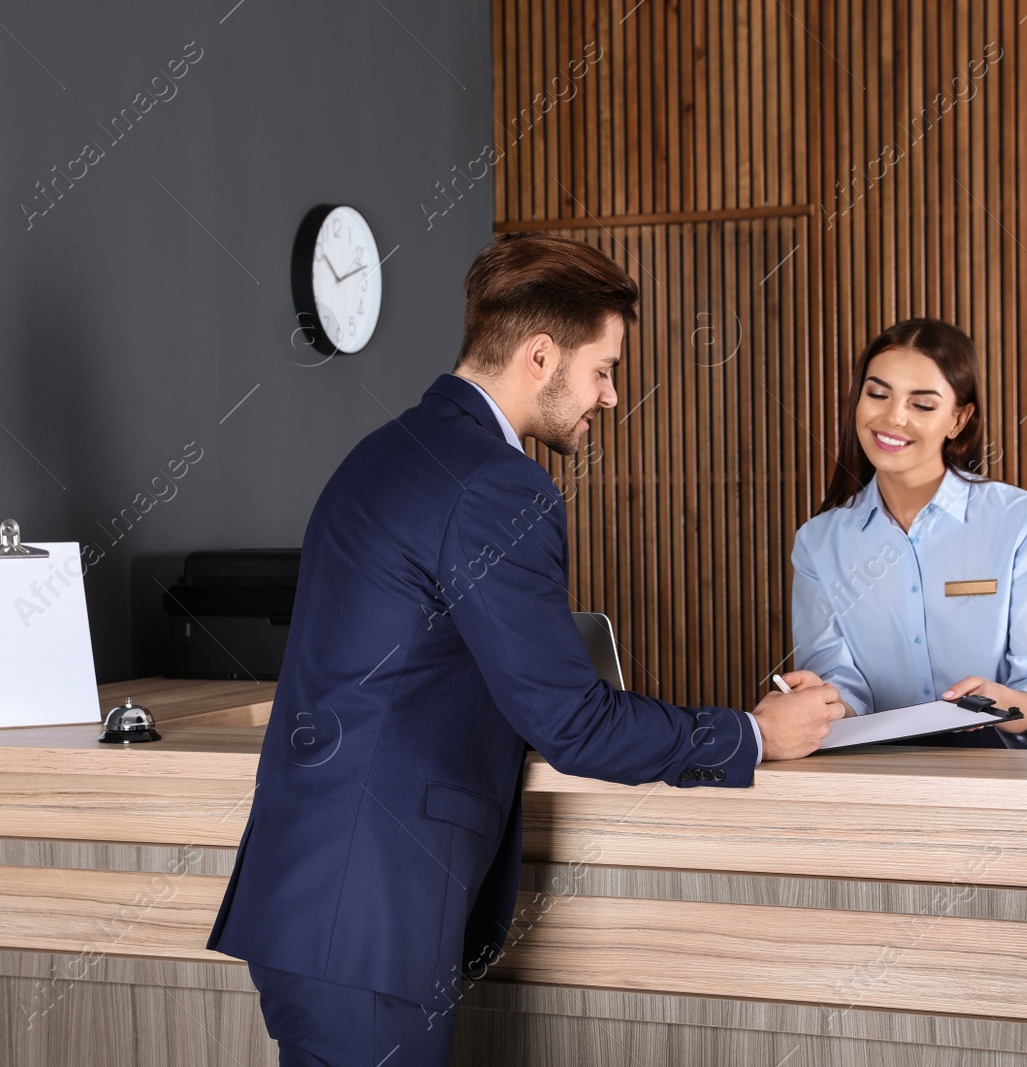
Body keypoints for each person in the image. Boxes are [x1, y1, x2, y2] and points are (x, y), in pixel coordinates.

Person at [207, 233, 845, 1066]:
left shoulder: (385, 452)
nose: (611, 397)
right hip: (368, 916)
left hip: (322, 903)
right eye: (604, 369)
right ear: (541, 355)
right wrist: (757, 732)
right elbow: (572, 722)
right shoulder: (497, 484)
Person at [789, 318, 1027, 749]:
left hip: (1003, 766)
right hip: (872, 768)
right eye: (877, 394)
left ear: (958, 419)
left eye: (922, 405)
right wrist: (825, 701)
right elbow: (843, 685)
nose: (893, 417)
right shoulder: (817, 543)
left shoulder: (1022, 522)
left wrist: (1005, 703)